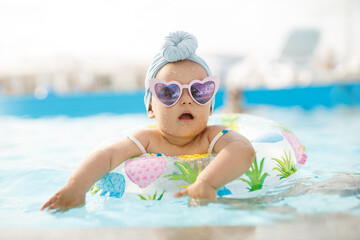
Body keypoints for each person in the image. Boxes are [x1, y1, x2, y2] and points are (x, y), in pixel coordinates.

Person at [40, 31, 255, 212]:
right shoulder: (147, 140)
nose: (187, 100)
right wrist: (77, 186)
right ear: (151, 108)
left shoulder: (213, 136)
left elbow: (243, 149)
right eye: (170, 92)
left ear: (210, 106)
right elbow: (106, 155)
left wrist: (207, 183)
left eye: (199, 91)